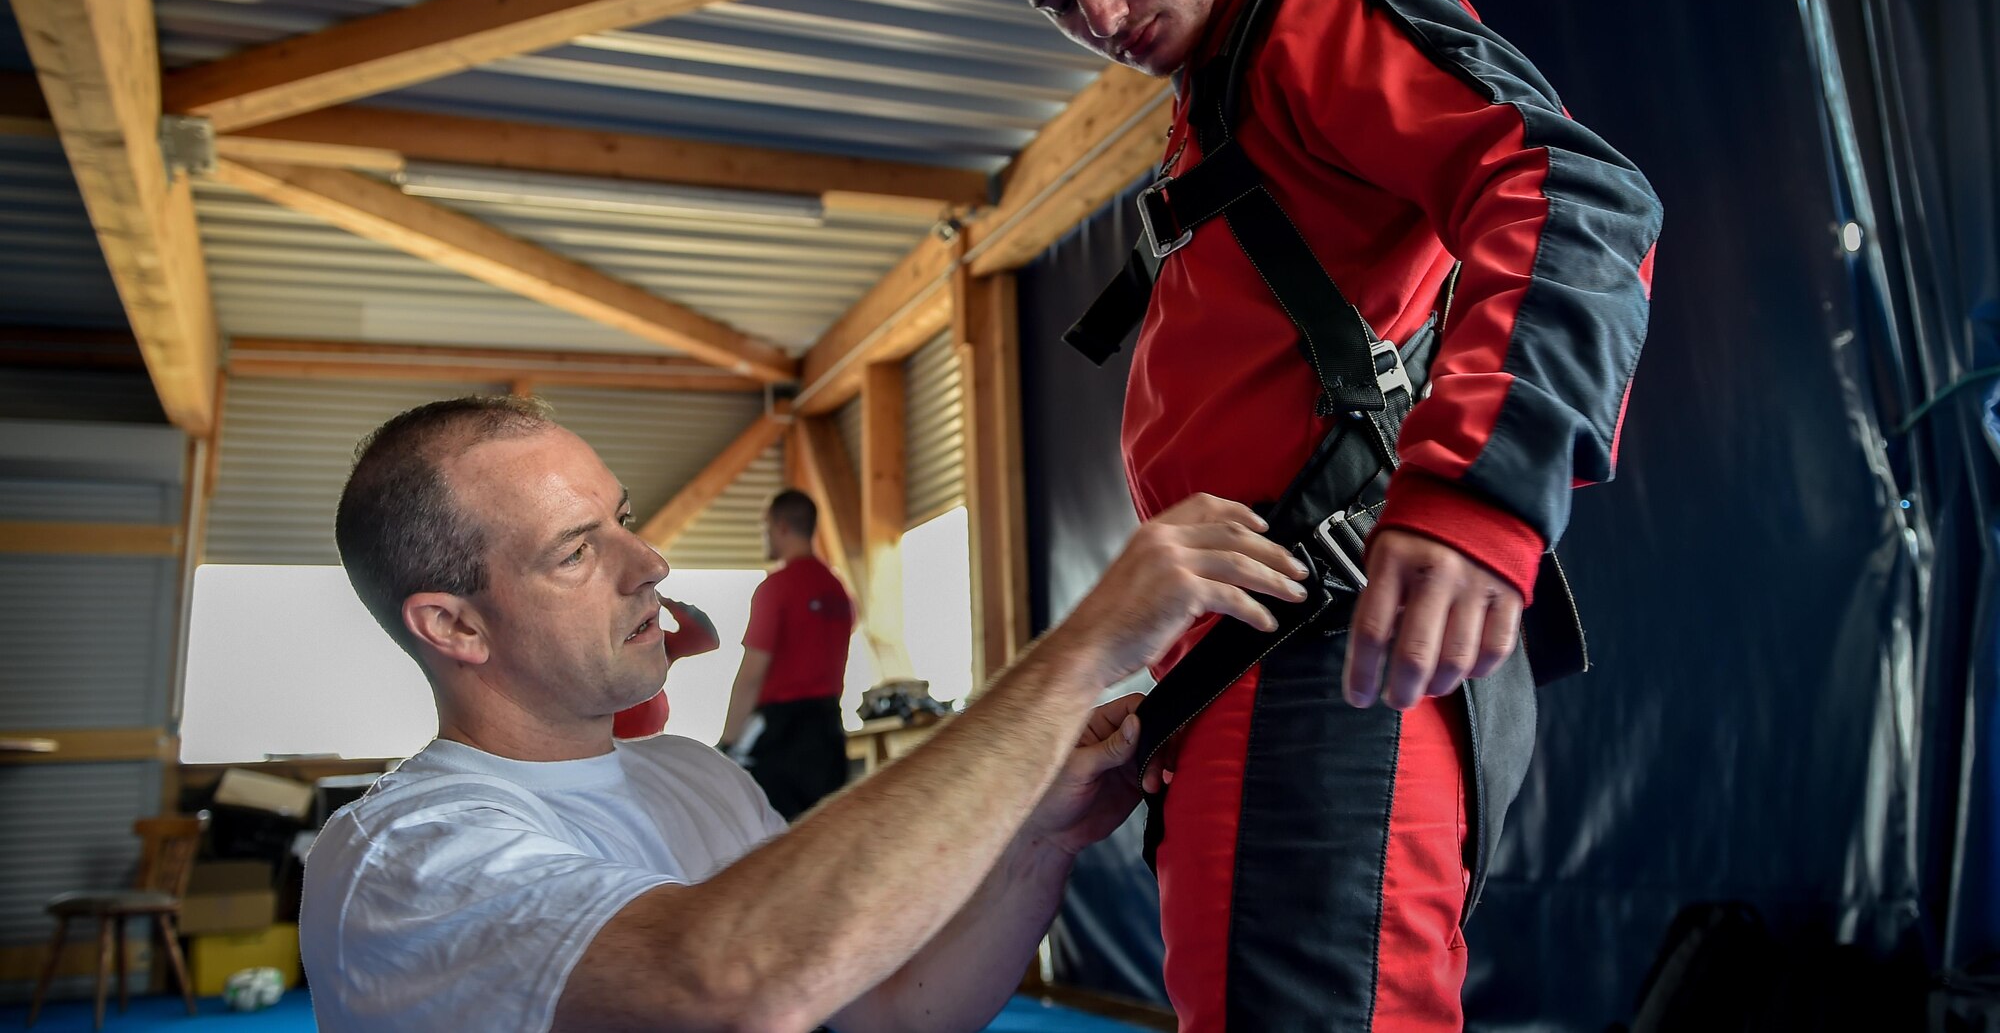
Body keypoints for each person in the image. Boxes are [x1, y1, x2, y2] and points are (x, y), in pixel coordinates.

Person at [958, 0, 1661, 1030]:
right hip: (1241, 669)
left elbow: (1570, 195)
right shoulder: (1215, 103)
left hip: (1327, 656)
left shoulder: (1300, 18)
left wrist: (1474, 498)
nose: (1103, 16)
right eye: (1059, 2)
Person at [302, 395, 1308, 1032]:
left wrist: (1040, 836)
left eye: (625, 518)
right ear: (455, 627)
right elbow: (733, 985)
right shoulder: (403, 857)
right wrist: (1073, 655)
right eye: (575, 552)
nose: (647, 562)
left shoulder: (695, 776)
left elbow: (879, 1008)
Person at [718, 489, 854, 818]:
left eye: (765, 527)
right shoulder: (838, 590)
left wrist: (728, 744)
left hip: (783, 739)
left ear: (780, 526)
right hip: (830, 735)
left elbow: (752, 674)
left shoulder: (776, 588)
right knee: (824, 839)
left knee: (774, 844)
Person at [610, 596, 719, 739]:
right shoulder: (590, 644)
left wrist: (665, 601)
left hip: (648, 748)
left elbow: (705, 638)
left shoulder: (654, 644)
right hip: (603, 748)